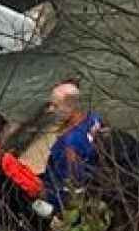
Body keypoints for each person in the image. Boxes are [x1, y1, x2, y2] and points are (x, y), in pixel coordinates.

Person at [39, 80, 104, 212]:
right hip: (96, 179)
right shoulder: (94, 119)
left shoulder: (68, 144)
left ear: (70, 106)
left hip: (63, 196)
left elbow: (73, 183)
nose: (51, 110)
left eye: (55, 105)